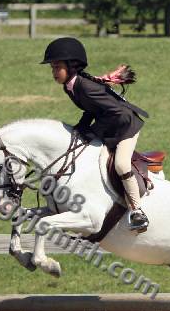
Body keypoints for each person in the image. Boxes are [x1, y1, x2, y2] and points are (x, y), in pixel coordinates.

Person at [41, 37, 150, 232]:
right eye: (52, 68)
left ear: (71, 66)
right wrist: (80, 128)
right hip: (112, 124)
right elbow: (91, 109)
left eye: (57, 67)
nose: (54, 73)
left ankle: (137, 211)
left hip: (126, 126)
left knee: (121, 164)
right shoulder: (71, 86)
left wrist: (92, 132)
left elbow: (115, 113)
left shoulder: (84, 86)